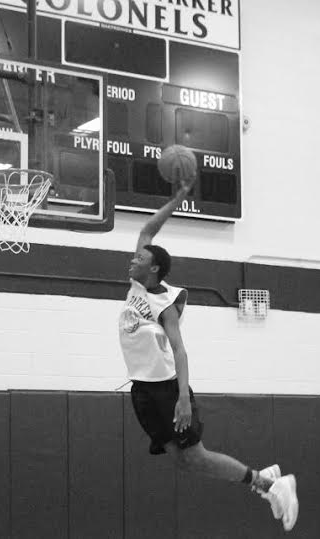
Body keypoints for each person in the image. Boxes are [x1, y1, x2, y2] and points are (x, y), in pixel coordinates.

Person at [118, 179, 299, 532]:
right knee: (184, 462)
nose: (133, 258)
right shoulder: (136, 284)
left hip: (167, 391)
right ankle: (265, 480)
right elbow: (148, 228)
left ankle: (270, 485)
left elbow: (180, 351)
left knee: (195, 456)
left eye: (140, 257)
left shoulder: (165, 305)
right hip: (141, 390)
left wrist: (183, 399)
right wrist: (176, 199)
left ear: (154, 268)